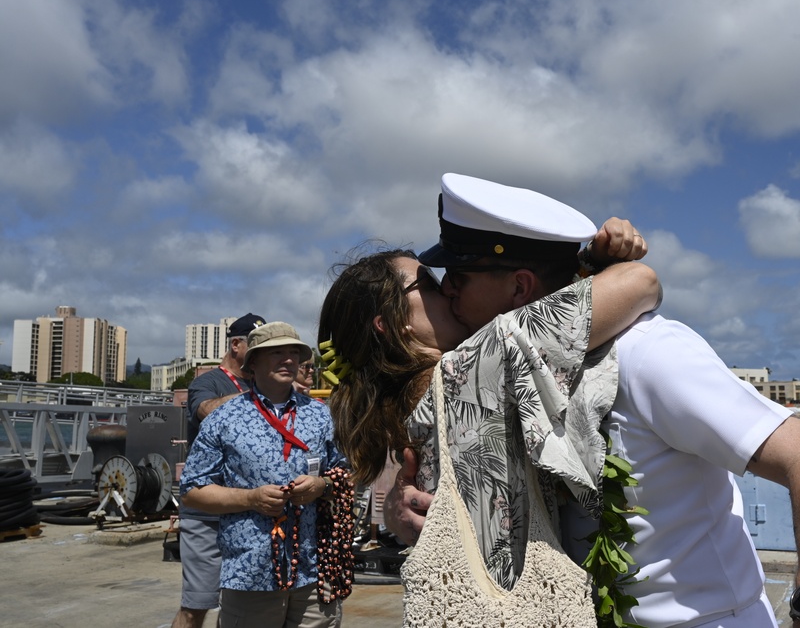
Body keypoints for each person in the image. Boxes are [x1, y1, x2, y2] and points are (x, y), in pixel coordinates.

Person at [385, 173, 800, 628]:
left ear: (519, 287)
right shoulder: (494, 384)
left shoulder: (647, 353)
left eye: (458, 278)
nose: (447, 292)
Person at [319, 185, 658, 593]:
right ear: (391, 323)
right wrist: (590, 259)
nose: (446, 288)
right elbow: (641, 281)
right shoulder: (471, 368)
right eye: (427, 284)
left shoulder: (412, 402)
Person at [180, 322, 351, 628]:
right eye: (277, 352)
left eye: (294, 353)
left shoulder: (321, 414)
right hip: (251, 573)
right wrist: (251, 498)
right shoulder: (225, 418)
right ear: (254, 363)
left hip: (313, 571)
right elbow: (193, 489)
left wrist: (321, 485)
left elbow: (345, 473)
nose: (288, 359)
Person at [173, 312, 266, 628]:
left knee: (245, 606)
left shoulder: (262, 386)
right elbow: (204, 409)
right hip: (206, 513)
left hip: (248, 512)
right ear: (236, 345)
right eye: (256, 345)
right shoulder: (208, 382)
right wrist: (255, 398)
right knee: (196, 606)